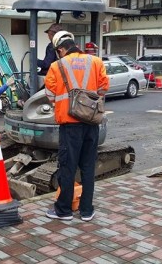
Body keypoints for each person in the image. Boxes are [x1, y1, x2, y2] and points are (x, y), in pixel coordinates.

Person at [44, 31, 108, 222]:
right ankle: (87, 210)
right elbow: (104, 88)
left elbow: (50, 95)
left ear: (61, 49)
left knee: (67, 166)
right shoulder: (96, 62)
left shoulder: (57, 66)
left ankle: (64, 211)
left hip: (70, 124)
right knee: (88, 166)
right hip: (91, 123)